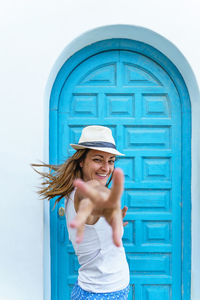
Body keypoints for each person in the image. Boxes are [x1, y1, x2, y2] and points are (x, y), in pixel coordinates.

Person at [33, 125, 130, 299]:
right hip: (102, 293)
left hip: (97, 289)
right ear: (81, 161)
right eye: (98, 159)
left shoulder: (72, 193)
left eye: (111, 161)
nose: (106, 168)